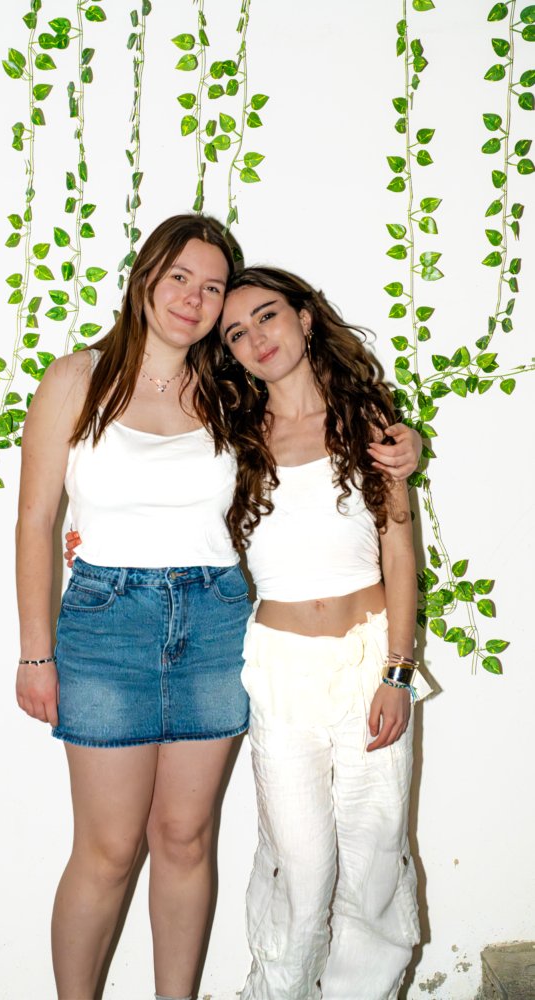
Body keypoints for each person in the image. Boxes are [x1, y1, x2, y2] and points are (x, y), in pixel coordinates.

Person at [17, 213, 422, 1000]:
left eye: (211, 288)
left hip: (213, 620)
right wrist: (36, 651)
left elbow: (302, 480)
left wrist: (401, 448)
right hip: (107, 625)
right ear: (144, 278)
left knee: (184, 837)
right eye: (180, 278)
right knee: (107, 850)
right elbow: (36, 522)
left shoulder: (225, 393)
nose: (193, 299)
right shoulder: (77, 379)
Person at [217, 265, 432, 1000]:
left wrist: (397, 672)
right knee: (299, 867)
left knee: (373, 856)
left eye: (267, 316)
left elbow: (399, 550)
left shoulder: (368, 424)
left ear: (304, 319)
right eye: (235, 333)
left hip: (369, 660)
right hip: (280, 671)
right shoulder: (230, 441)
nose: (256, 338)